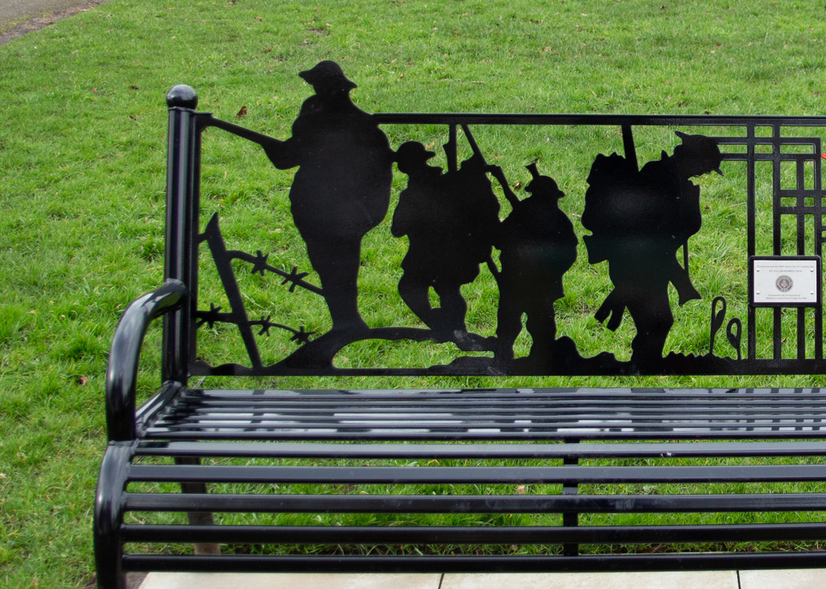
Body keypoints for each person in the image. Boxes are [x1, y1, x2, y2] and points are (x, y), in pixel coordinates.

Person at [220, 61, 394, 336]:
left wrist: (367, 211)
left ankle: (347, 321)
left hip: (339, 211)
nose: (316, 90)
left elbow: (286, 157)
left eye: (321, 86)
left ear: (335, 89)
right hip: (316, 208)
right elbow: (290, 155)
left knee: (338, 263)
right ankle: (345, 321)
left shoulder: (345, 124)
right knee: (329, 264)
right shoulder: (325, 118)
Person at [582, 131, 722, 368]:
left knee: (657, 322)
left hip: (653, 261)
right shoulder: (659, 176)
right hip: (636, 262)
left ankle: (642, 366)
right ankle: (641, 368)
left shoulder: (675, 180)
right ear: (692, 158)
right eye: (705, 166)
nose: (704, 173)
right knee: (657, 322)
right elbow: (651, 227)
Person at [391, 139, 499, 345]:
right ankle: (444, 326)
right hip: (427, 255)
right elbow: (397, 229)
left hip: (449, 252)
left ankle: (454, 329)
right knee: (417, 288)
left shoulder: (438, 184)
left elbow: (399, 228)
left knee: (444, 288)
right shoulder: (428, 187)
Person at [493, 163, 577, 367]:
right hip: (534, 282)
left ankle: (507, 359)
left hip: (519, 280)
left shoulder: (524, 213)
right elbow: (569, 253)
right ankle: (536, 358)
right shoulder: (558, 219)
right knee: (538, 322)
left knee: (515, 321)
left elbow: (499, 239)